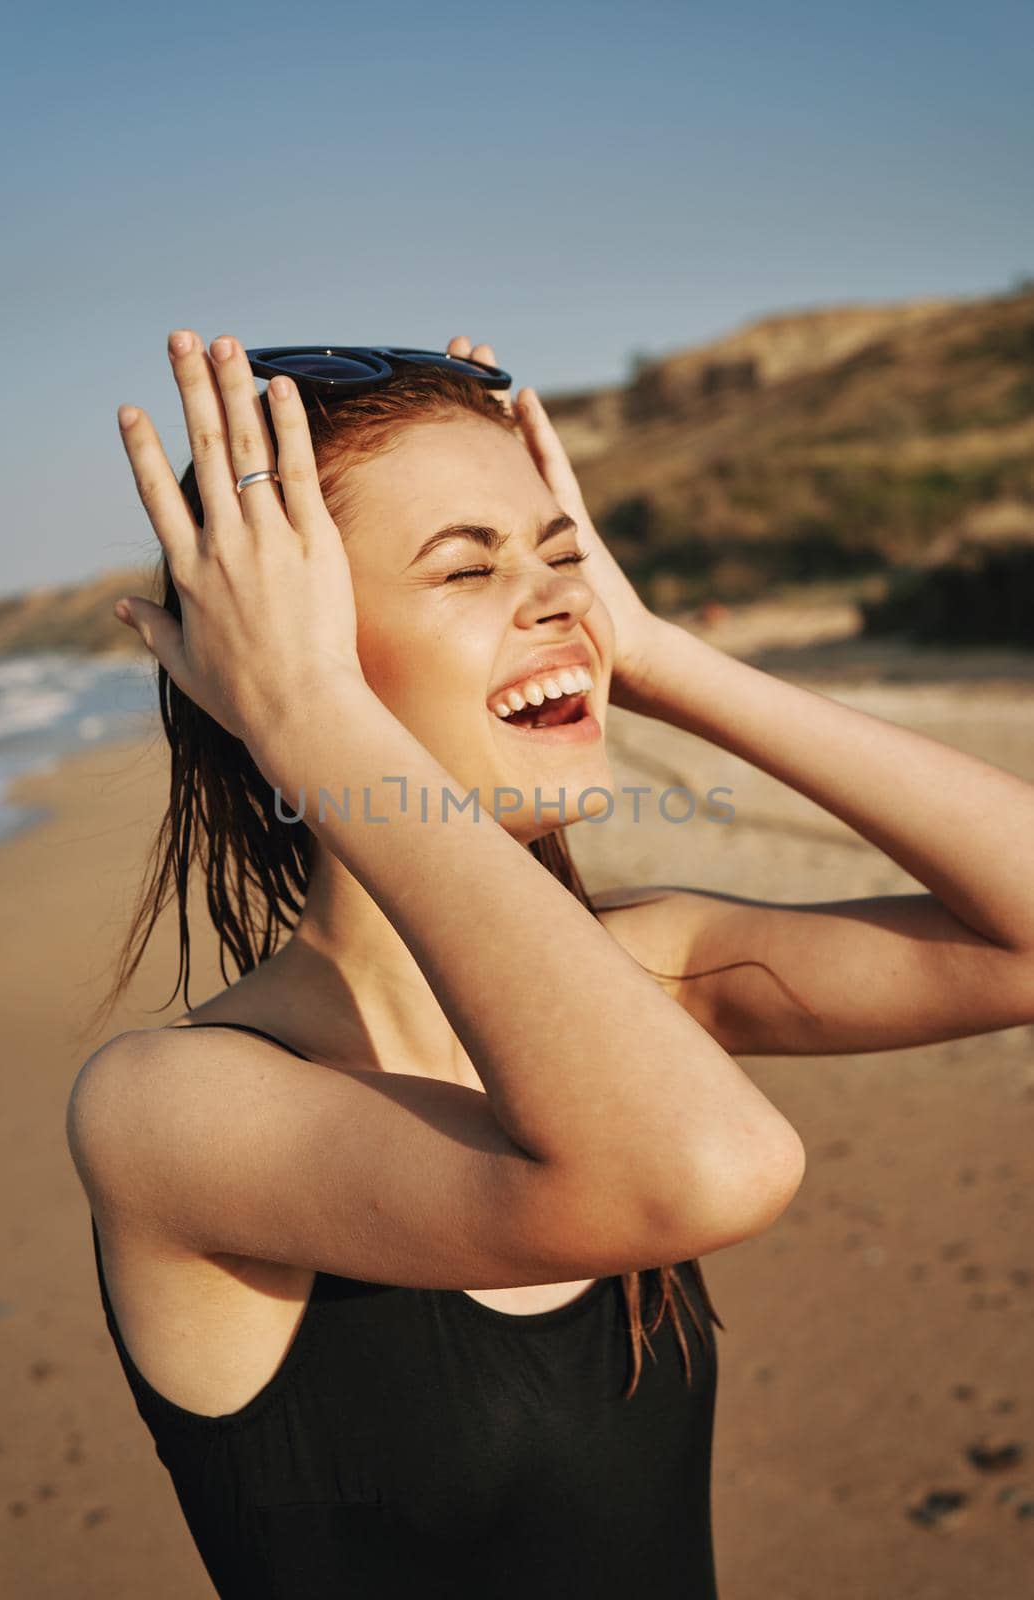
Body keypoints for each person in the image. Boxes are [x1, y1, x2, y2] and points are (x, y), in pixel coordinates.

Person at [66, 331, 1034, 1598]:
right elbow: (698, 1169)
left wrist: (647, 650)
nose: (555, 594)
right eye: (466, 567)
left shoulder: (640, 965)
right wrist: (308, 723)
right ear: (277, 659)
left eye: (562, 550)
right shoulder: (167, 1111)